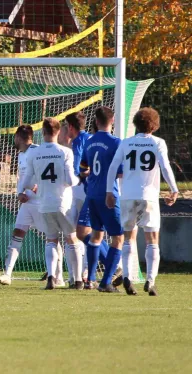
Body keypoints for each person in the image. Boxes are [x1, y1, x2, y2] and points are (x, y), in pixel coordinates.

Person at [106, 108, 178, 296]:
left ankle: (128, 277)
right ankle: (150, 281)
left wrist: (108, 191)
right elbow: (165, 166)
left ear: (136, 124)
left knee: (128, 238)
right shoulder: (158, 143)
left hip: (128, 195)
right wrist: (174, 189)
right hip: (149, 196)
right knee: (152, 240)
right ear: (154, 125)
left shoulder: (126, 143)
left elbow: (113, 167)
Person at [0, 125, 65, 286]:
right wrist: (20, 192)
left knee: (52, 238)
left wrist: (38, 186)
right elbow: (24, 177)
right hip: (27, 203)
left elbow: (48, 172)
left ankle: (59, 276)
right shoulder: (21, 154)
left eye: (15, 137)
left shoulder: (37, 151)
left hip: (41, 203)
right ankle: (7, 274)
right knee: (18, 233)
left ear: (19, 137)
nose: (14, 140)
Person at [21, 118, 84, 290]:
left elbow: (26, 180)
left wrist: (23, 190)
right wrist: (80, 178)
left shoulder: (34, 153)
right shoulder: (65, 152)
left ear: (43, 131)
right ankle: (78, 280)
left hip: (44, 203)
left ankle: (51, 277)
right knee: (72, 239)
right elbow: (71, 180)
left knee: (51, 240)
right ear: (58, 131)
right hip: (63, 202)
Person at [80, 106, 123, 292]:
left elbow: (82, 169)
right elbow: (120, 172)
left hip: (91, 195)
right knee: (118, 238)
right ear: (112, 120)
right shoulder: (116, 142)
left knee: (96, 235)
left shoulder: (89, 142)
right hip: (109, 196)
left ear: (96, 122)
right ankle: (106, 282)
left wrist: (92, 173)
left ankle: (90, 280)